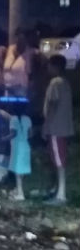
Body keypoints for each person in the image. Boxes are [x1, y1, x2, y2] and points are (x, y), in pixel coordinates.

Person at [42, 54, 74, 205]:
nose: (47, 68)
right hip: (63, 127)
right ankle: (57, 189)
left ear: (55, 67)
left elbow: (53, 105)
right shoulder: (65, 82)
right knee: (58, 159)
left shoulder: (55, 82)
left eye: (49, 66)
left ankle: (61, 195)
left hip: (55, 128)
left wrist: (46, 125)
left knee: (59, 161)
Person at [3, 98, 32, 201]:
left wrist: (3, 138)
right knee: (22, 170)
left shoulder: (13, 119)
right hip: (26, 147)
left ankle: (20, 193)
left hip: (17, 148)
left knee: (17, 171)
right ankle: (18, 189)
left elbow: (13, 133)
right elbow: (30, 134)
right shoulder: (27, 119)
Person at [3, 28, 34, 97]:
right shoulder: (9, 49)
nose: (19, 40)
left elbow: (31, 75)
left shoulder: (31, 53)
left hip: (21, 89)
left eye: (22, 38)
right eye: (18, 37)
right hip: (7, 88)